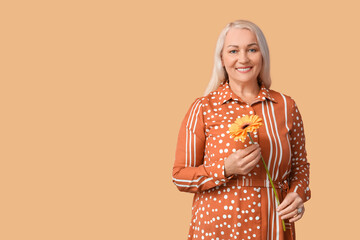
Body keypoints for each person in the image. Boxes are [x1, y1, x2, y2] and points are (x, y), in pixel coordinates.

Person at [172, 19, 311, 240]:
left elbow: (300, 167)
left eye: (252, 49)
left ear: (262, 55)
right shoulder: (203, 108)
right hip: (217, 228)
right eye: (233, 50)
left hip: (273, 226)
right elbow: (180, 176)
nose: (243, 58)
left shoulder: (286, 106)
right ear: (222, 58)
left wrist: (298, 194)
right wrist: (224, 169)